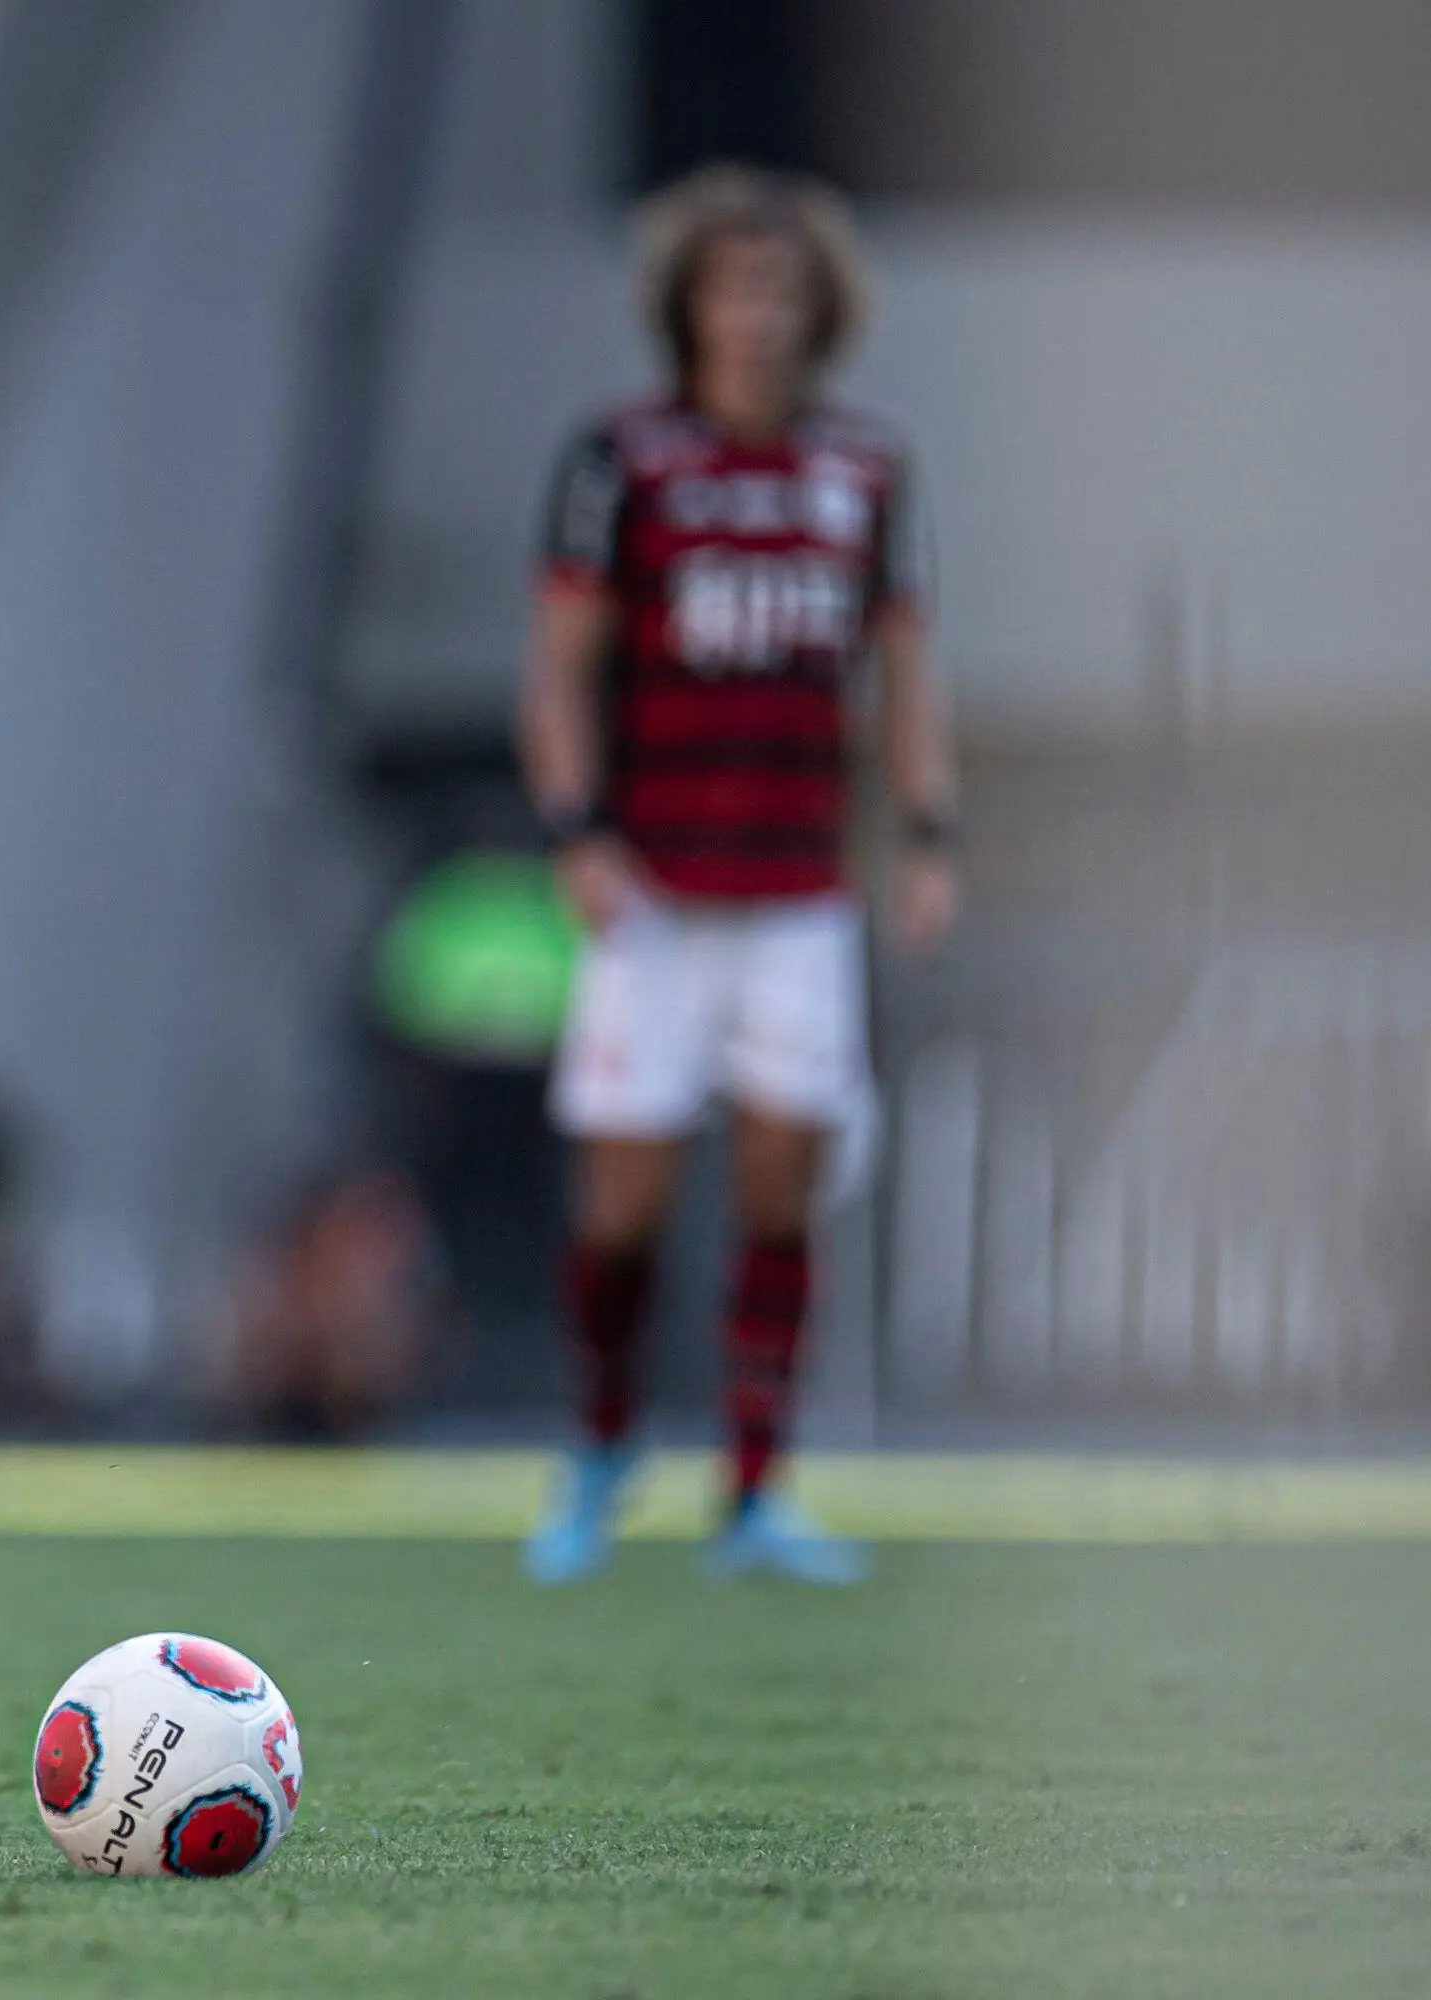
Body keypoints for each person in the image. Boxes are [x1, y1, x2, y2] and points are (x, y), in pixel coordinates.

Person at [519, 164, 955, 1587]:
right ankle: (600, 1451)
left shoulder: (866, 472)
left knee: (784, 1184)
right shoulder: (622, 462)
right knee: (624, 1204)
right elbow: (558, 669)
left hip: (798, 893)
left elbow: (904, 672)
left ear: (821, 311)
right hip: (652, 889)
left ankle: (758, 1485)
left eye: (781, 290)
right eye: (732, 288)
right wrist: (576, 827)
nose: (757, 315)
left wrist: (929, 833)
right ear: (687, 307)